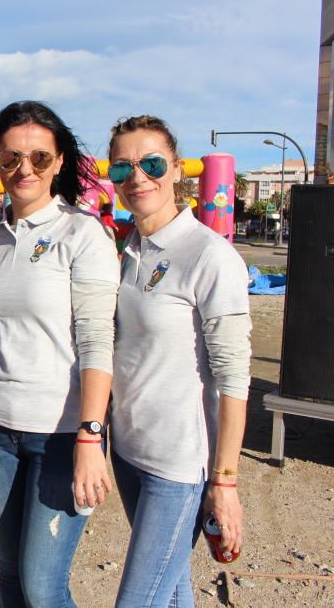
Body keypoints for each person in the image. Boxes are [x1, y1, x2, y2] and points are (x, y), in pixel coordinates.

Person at [0, 100, 120, 607]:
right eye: (11, 158)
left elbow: (98, 340)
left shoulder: (83, 234)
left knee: (42, 584)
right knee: (10, 574)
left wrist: (91, 434)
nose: (24, 169)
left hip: (61, 436)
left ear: (58, 163)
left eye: (38, 157)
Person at [106, 115, 250, 607]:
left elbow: (234, 379)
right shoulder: (129, 250)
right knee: (171, 594)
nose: (137, 177)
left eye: (150, 163)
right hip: (127, 452)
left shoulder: (209, 255)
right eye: (122, 167)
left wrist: (224, 482)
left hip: (179, 467)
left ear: (175, 170)